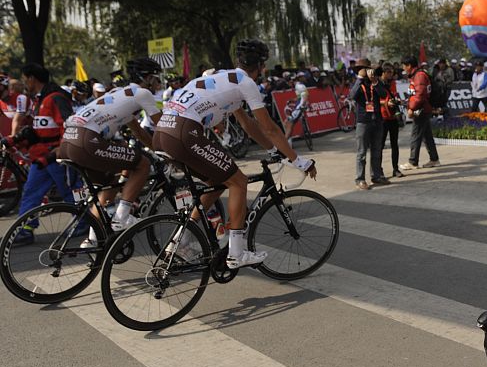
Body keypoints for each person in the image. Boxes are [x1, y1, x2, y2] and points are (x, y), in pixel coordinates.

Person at [153, 39, 315, 269]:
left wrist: (271, 150)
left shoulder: (224, 79)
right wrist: (298, 160)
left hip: (163, 132)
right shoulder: (245, 83)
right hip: (184, 132)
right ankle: (236, 254)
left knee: (218, 182)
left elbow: (248, 124)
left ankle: (179, 241)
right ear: (261, 66)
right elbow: (269, 127)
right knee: (238, 181)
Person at [59, 58, 164, 247]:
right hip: (86, 140)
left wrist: (158, 150)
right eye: (157, 79)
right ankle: (122, 217)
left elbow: (138, 131)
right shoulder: (143, 93)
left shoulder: (118, 92)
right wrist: (172, 152)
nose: (159, 83)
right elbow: (164, 127)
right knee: (143, 165)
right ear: (148, 78)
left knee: (109, 184)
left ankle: (92, 239)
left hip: (68, 140)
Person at [11, 63, 76, 245]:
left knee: (70, 191)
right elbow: (40, 128)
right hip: (41, 159)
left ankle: (84, 223)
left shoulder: (55, 98)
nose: (25, 83)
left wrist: (60, 151)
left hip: (55, 157)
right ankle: (25, 230)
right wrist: (19, 139)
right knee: (30, 191)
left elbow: (68, 125)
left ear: (32, 78)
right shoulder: (40, 99)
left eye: (25, 79)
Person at [350, 65, 389, 190]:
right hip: (363, 122)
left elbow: (383, 94)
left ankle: (376, 176)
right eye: (366, 71)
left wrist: (375, 82)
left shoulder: (376, 83)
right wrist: (360, 78)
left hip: (377, 121)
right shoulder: (359, 84)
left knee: (377, 150)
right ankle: (360, 179)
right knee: (361, 152)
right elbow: (352, 95)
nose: (369, 73)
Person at [399, 56, 440, 170]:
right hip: (423, 108)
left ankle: (413, 162)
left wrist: (411, 108)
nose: (403, 68)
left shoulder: (419, 76)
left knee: (415, 135)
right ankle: (434, 159)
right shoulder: (416, 75)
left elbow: (420, 95)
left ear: (409, 66)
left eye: (404, 65)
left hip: (421, 109)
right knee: (427, 136)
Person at [378, 65, 403, 178]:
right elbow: (375, 100)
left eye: (391, 72)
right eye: (388, 72)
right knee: (380, 145)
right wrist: (386, 103)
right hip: (382, 118)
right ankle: (379, 170)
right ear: (383, 73)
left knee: (395, 144)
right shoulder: (377, 84)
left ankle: (395, 168)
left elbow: (395, 94)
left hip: (393, 117)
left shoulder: (393, 83)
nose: (390, 75)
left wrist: (397, 100)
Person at [283, 74, 309, 143]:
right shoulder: (296, 86)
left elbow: (305, 96)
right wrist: (291, 100)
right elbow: (299, 98)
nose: (287, 84)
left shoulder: (299, 86)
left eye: (287, 82)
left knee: (288, 123)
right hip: (299, 106)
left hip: (300, 107)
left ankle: (284, 143)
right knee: (286, 123)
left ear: (291, 81)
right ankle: (288, 142)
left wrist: (303, 105)